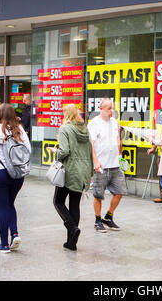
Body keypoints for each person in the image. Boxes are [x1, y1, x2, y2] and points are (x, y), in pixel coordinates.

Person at [0, 103, 31, 253]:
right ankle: (14, 233)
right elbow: (27, 150)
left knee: (2, 207)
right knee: (10, 204)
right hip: (17, 174)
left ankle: (4, 244)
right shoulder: (19, 129)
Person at [50, 104, 93, 251]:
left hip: (69, 171)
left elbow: (64, 151)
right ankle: (71, 243)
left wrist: (55, 151)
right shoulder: (85, 130)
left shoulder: (65, 129)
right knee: (74, 204)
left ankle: (72, 228)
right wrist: (90, 172)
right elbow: (89, 151)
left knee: (58, 201)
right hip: (83, 171)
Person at [88, 98, 127, 232]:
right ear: (101, 109)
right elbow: (91, 144)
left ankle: (108, 217)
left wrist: (120, 155)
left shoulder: (114, 122)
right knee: (98, 194)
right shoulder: (94, 123)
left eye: (112, 109)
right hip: (101, 165)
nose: (111, 112)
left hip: (115, 163)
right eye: (109, 109)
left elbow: (117, 139)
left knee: (120, 191)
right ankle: (97, 220)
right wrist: (95, 161)